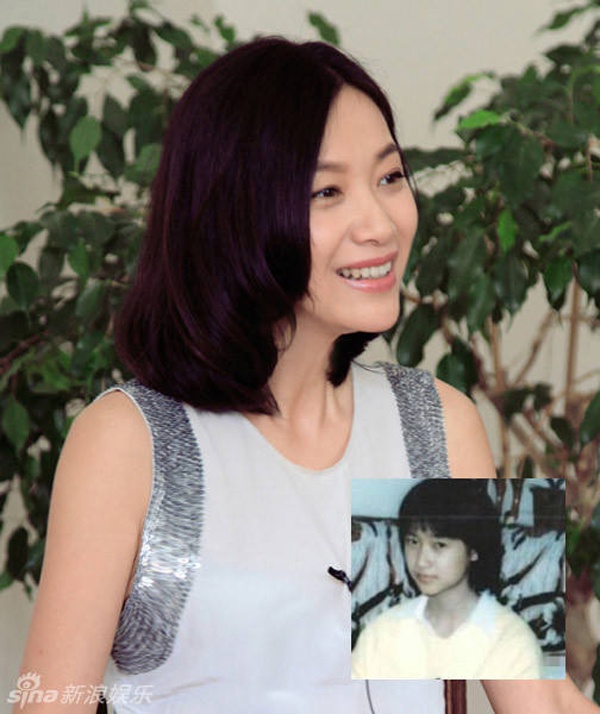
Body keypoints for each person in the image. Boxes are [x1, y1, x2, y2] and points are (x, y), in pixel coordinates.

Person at [15, 37, 597, 714]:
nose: (380, 224)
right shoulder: (130, 440)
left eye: (389, 177)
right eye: (327, 191)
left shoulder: (436, 423)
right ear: (233, 215)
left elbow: (544, 701)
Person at [351, 479, 544, 679]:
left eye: (439, 545)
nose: (421, 561)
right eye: (413, 541)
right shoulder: (381, 633)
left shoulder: (512, 641)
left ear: (473, 550)